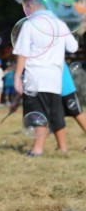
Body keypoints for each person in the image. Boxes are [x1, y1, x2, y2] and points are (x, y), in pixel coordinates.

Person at [12, 9, 78, 157]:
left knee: (38, 112)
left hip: (35, 76)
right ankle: (63, 148)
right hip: (55, 77)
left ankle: (37, 150)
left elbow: (23, 52)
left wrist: (17, 76)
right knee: (55, 114)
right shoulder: (60, 24)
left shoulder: (30, 24)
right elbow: (73, 47)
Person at [60, 62, 86, 153]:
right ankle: (61, 147)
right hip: (52, 88)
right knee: (54, 117)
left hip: (65, 87)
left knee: (77, 113)